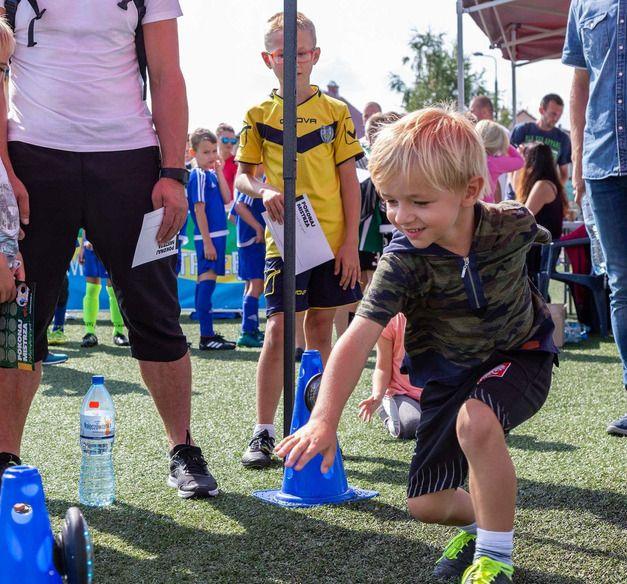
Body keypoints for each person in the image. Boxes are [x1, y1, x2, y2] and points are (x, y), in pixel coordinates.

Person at [276, 107, 557, 584]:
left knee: (477, 420)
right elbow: (358, 337)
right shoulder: (401, 262)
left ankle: (495, 559)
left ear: (470, 191)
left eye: (420, 203)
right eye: (390, 201)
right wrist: (324, 419)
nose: (402, 217)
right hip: (448, 374)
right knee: (425, 503)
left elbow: (540, 236)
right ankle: (478, 525)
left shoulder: (512, 224)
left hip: (521, 356)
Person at [0, 1, 219, 498]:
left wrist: (172, 173)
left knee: (156, 312)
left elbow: (166, 76)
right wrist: (4, 169)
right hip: (33, 160)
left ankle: (183, 449)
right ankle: (5, 457)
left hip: (130, 163)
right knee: (16, 316)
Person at [235, 11, 363, 468]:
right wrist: (264, 189)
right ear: (268, 58)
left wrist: (350, 243)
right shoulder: (258, 115)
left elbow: (351, 182)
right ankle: (264, 431)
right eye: (284, 53)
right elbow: (242, 178)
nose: (294, 60)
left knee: (321, 331)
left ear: (316, 55)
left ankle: (323, 426)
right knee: (277, 331)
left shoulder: (335, 112)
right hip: (284, 243)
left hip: (331, 244)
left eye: (302, 52)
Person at [563, 0, 627, 436]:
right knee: (622, 284)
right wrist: (578, 159)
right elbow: (580, 82)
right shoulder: (583, 3)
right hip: (604, 160)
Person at [186, 128, 235, 351]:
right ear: (193, 152)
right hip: (209, 239)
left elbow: (227, 198)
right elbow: (199, 210)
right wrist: (206, 242)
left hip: (216, 237)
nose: (212, 156)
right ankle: (206, 336)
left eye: (214, 151)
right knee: (206, 282)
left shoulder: (211, 174)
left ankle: (208, 334)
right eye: (206, 152)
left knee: (207, 282)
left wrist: (220, 173)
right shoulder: (197, 175)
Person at [358, 313, 422, 439]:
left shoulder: (446, 313)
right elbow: (382, 367)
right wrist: (378, 393)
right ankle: (384, 409)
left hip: (438, 392)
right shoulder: (391, 320)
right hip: (403, 393)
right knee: (412, 424)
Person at [516, 142, 568, 287]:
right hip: (541, 249)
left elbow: (523, 216)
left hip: (540, 251)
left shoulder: (543, 186)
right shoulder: (547, 184)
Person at [78, 236, 131, 348]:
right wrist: (83, 245)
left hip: (111, 244)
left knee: (113, 290)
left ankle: (118, 332)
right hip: (90, 245)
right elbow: (84, 220)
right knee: (91, 288)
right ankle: (89, 332)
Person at [510, 94, 571, 186]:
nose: (556, 119)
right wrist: (515, 188)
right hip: (519, 189)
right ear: (541, 110)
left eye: (559, 115)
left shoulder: (563, 138)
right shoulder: (522, 130)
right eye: (553, 114)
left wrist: (555, 192)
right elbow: (510, 163)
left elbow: (564, 173)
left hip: (544, 192)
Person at [233, 184, 266, 348]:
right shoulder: (252, 181)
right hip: (253, 241)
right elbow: (239, 206)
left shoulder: (247, 180)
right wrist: (258, 228)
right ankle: (247, 332)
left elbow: (232, 216)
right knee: (257, 285)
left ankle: (250, 328)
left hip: (248, 241)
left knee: (251, 285)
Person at [476, 120, 524, 203]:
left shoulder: (466, 157)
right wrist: (506, 145)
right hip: (483, 210)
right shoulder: (494, 163)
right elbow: (520, 161)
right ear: (497, 143)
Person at [216, 122, 237, 201]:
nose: (229, 143)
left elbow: (237, 193)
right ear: (216, 139)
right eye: (225, 140)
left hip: (229, 208)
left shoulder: (236, 163)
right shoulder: (210, 162)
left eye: (233, 141)